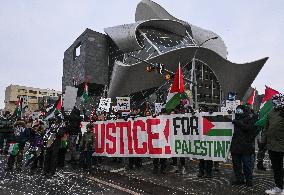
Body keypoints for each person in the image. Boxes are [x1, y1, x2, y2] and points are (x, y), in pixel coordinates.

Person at [230, 105, 258, 187]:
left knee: (247, 165)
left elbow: (249, 128)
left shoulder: (250, 119)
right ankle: (239, 179)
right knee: (236, 165)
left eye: (240, 110)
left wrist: (237, 122)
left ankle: (249, 180)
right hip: (235, 147)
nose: (238, 111)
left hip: (246, 147)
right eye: (237, 109)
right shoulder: (234, 118)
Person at [262, 94, 284, 194]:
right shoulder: (270, 113)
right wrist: (263, 142)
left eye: (278, 100)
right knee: (277, 168)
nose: (276, 103)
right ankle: (279, 187)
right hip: (274, 146)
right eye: (274, 101)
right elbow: (266, 129)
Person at [152, 108, 167, 174]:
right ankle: (156, 167)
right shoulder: (157, 119)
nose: (164, 114)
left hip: (164, 140)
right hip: (157, 140)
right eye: (163, 113)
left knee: (163, 155)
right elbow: (153, 128)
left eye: (165, 113)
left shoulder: (168, 119)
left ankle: (162, 168)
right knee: (156, 155)